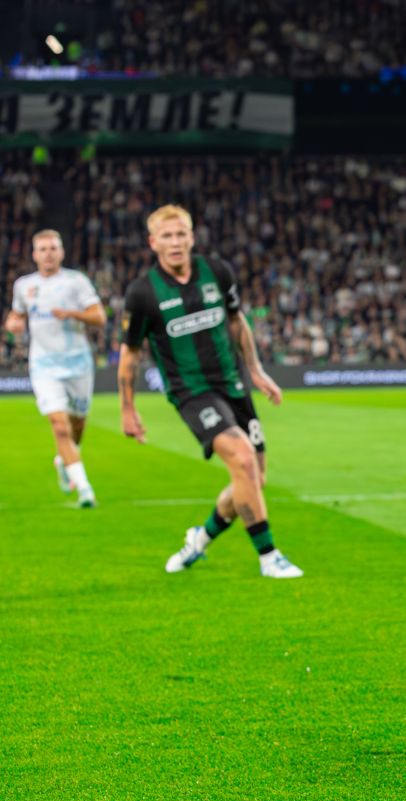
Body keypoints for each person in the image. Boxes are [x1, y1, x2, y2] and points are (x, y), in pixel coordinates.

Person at [118, 205, 303, 579]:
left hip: (233, 384)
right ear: (153, 243)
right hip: (192, 392)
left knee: (253, 479)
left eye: (181, 234)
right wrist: (127, 409)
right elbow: (130, 353)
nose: (175, 242)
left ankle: (199, 539)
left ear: (192, 237)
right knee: (243, 460)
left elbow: (236, 321)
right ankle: (269, 557)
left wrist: (256, 371)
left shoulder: (217, 272)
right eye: (167, 236)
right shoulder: (142, 293)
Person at [5, 230, 106, 508]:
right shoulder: (24, 285)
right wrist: (13, 323)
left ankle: (64, 460)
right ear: (34, 255)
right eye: (43, 249)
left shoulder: (76, 282)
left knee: (77, 425)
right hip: (43, 365)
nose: (48, 254)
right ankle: (84, 489)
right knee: (59, 426)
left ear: (61, 252)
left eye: (53, 248)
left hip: (78, 363)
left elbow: (99, 317)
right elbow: (17, 314)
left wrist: (71, 313)